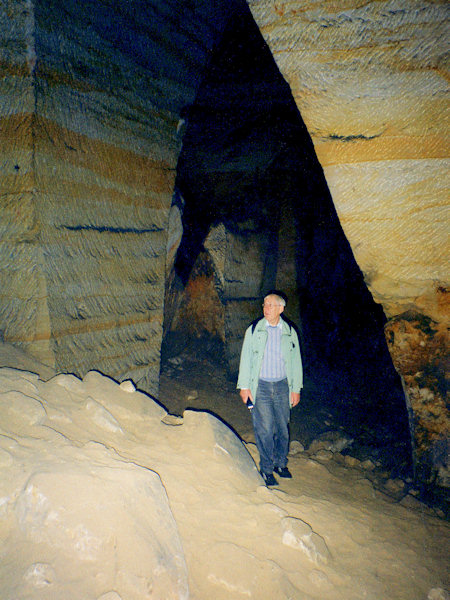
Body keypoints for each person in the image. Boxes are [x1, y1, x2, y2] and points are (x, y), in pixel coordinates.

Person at [237, 292, 303, 486]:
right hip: (261, 387)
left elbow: (296, 362)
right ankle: (266, 469)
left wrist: (296, 389)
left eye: (271, 306)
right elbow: (246, 359)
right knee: (264, 428)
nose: (266, 309)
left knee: (282, 428)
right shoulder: (254, 330)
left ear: (281, 309)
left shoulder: (290, 332)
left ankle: (280, 464)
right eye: (265, 305)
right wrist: (244, 387)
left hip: (283, 386)